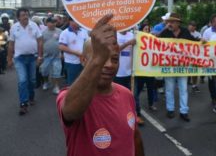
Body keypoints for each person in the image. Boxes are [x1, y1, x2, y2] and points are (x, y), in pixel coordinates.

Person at [56, 14, 144, 156]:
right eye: (101, 57)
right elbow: (71, 111)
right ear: (84, 60)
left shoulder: (126, 94)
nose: (109, 65)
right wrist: (98, 58)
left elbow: (134, 136)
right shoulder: (67, 96)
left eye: (114, 59)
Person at [159, 13, 197, 122]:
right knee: (169, 89)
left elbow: (193, 42)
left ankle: (183, 111)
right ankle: (170, 109)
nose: (170, 23)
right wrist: (164, 29)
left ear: (178, 23)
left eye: (172, 22)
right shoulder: (165, 32)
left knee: (183, 89)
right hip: (169, 65)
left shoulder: (185, 31)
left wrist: (202, 41)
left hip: (183, 66)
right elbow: (155, 40)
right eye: (169, 21)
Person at [7, 8, 43, 115]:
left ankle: (31, 97)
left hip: (33, 57)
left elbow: (40, 41)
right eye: (23, 15)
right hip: (19, 59)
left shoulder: (34, 25)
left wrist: (40, 56)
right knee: (23, 80)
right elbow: (11, 44)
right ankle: (23, 103)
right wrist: (9, 59)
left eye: (27, 14)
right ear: (18, 17)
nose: (25, 16)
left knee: (32, 80)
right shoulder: (14, 27)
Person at [134, 24, 157, 126]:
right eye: (145, 29)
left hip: (150, 70)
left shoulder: (152, 39)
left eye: (148, 29)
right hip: (140, 70)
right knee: (137, 89)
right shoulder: (138, 39)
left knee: (150, 88)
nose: (147, 30)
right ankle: (134, 104)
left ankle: (151, 104)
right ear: (141, 30)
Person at [59, 17, 89, 85]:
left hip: (84, 61)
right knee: (72, 82)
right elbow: (61, 47)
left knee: (83, 80)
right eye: (76, 21)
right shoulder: (65, 32)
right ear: (70, 21)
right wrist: (77, 53)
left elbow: (87, 43)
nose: (78, 23)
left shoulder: (84, 31)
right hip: (71, 62)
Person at [202, 14, 216, 105]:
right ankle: (214, 97)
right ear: (213, 22)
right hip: (211, 59)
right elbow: (203, 44)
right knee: (212, 80)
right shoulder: (207, 32)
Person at [40, 17, 62, 94]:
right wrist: (40, 55)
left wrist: (62, 53)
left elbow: (62, 43)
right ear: (47, 23)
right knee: (44, 71)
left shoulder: (60, 31)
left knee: (57, 72)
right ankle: (46, 82)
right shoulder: (43, 32)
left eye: (54, 22)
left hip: (57, 56)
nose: (53, 24)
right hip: (46, 57)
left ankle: (56, 87)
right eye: (51, 22)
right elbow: (41, 44)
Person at [187, 21, 202, 93]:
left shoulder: (198, 34)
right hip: (185, 55)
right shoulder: (184, 32)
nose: (192, 27)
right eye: (191, 25)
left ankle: (194, 85)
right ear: (188, 26)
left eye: (194, 26)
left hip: (194, 55)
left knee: (195, 71)